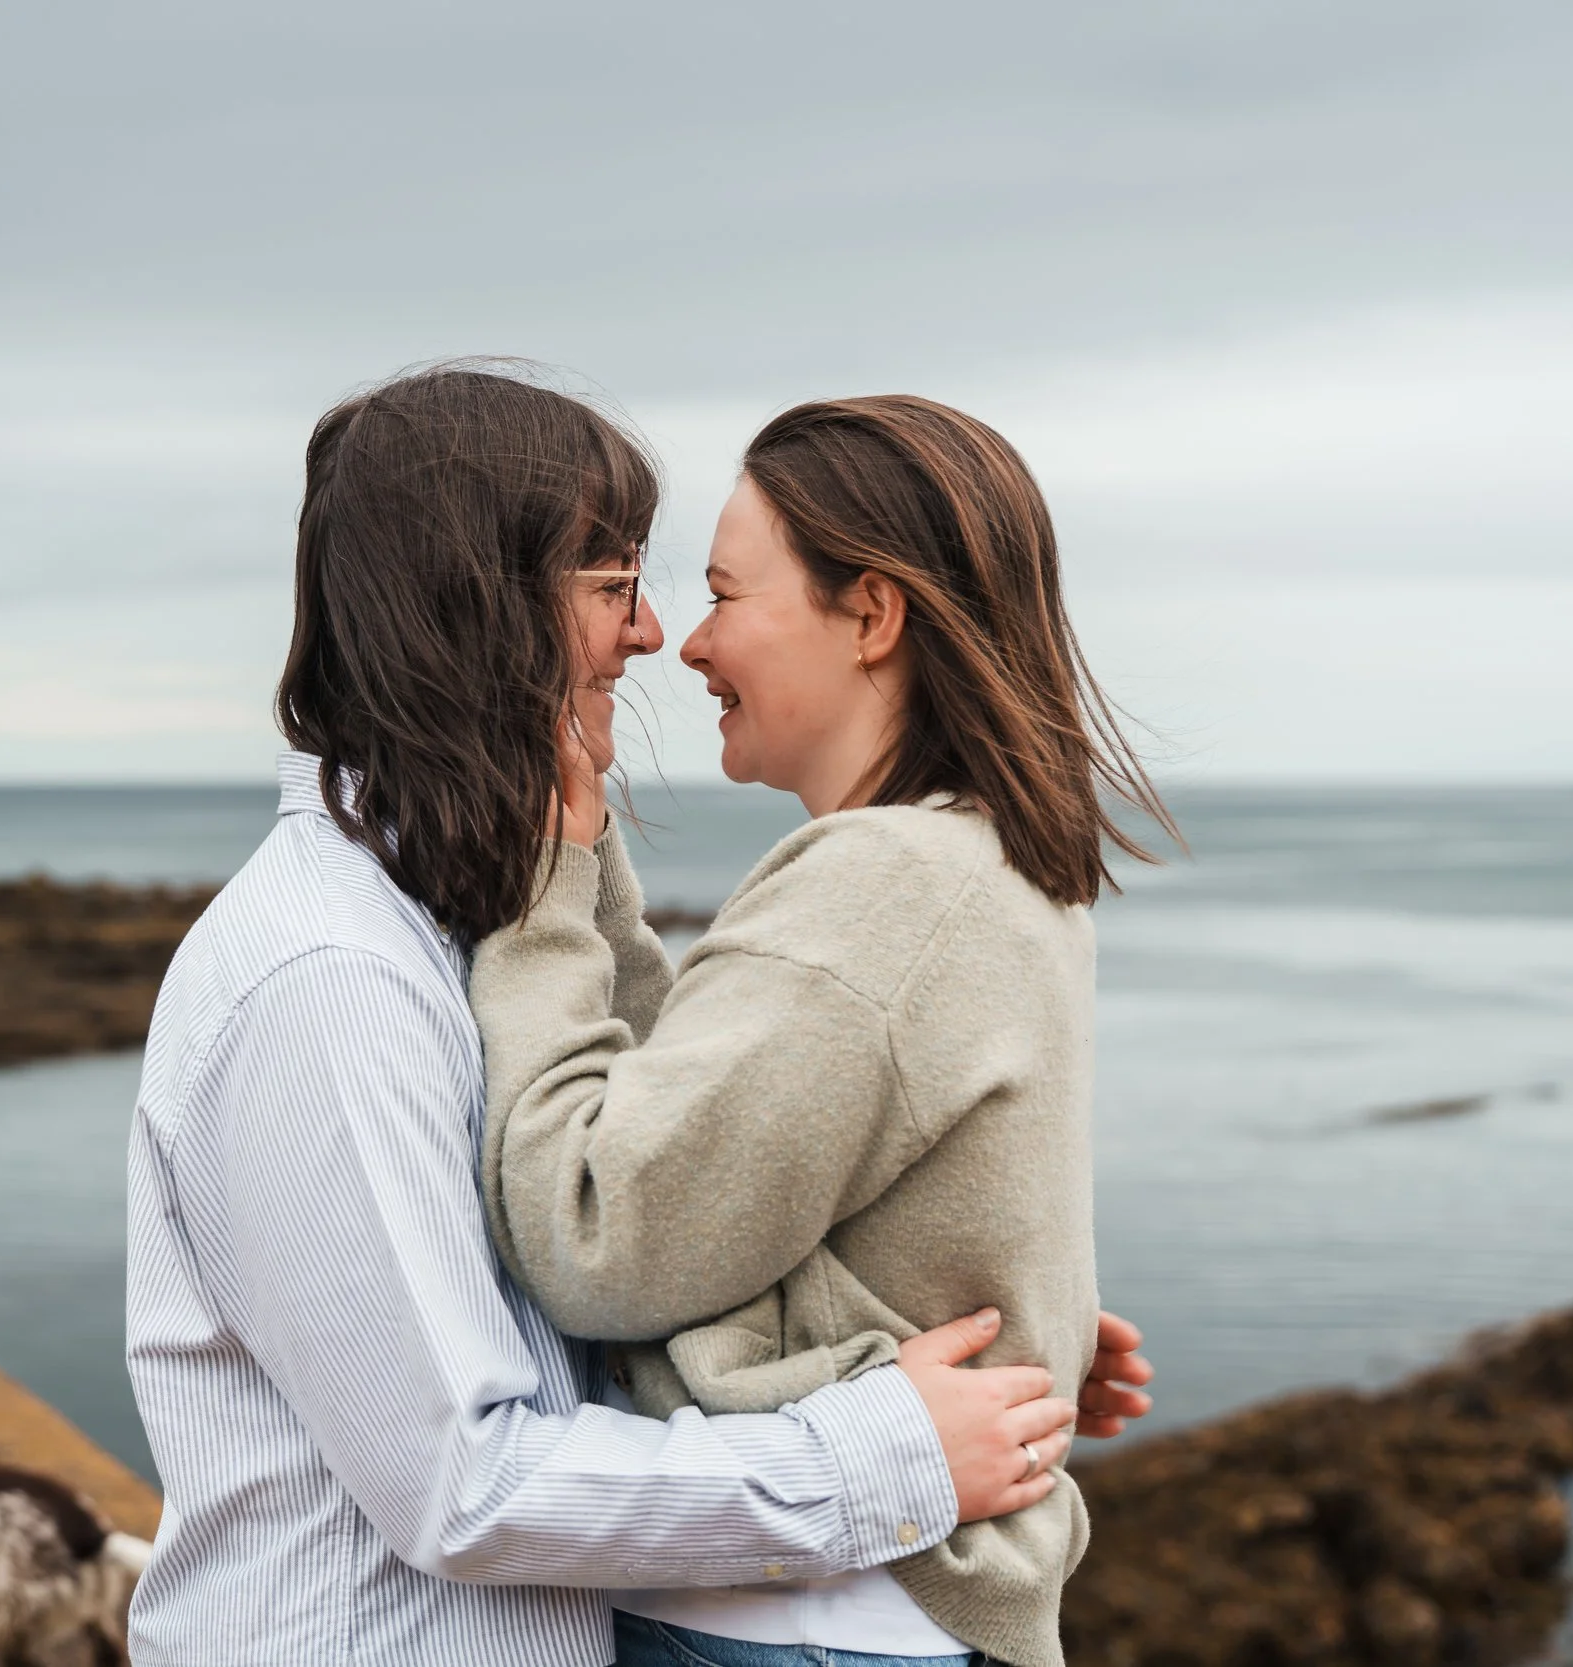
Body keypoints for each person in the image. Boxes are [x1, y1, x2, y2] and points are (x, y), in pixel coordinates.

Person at [123, 367, 1153, 1667]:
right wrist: (880, 1444)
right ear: (486, 614)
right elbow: (470, 1471)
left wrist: (948, 1311)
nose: (661, 634)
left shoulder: (471, 928)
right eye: (618, 586)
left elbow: (663, 1178)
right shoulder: (333, 979)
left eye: (705, 591)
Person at [469, 395, 1178, 1667]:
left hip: (795, 1618)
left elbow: (597, 1232)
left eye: (728, 594)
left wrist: (537, 903)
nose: (686, 642)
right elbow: (719, 1120)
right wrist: (1038, 1308)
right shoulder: (995, 863)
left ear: (873, 614)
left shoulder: (882, 885)